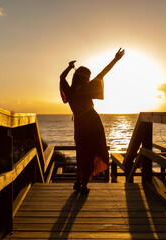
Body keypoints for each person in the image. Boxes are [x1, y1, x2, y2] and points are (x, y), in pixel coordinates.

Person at [59, 48, 125, 194]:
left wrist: (69, 67)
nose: (89, 79)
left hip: (80, 125)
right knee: (89, 154)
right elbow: (103, 73)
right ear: (84, 78)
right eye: (88, 77)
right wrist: (115, 59)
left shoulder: (69, 92)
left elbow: (61, 78)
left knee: (81, 154)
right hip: (93, 123)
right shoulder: (87, 89)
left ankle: (78, 182)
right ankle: (83, 185)